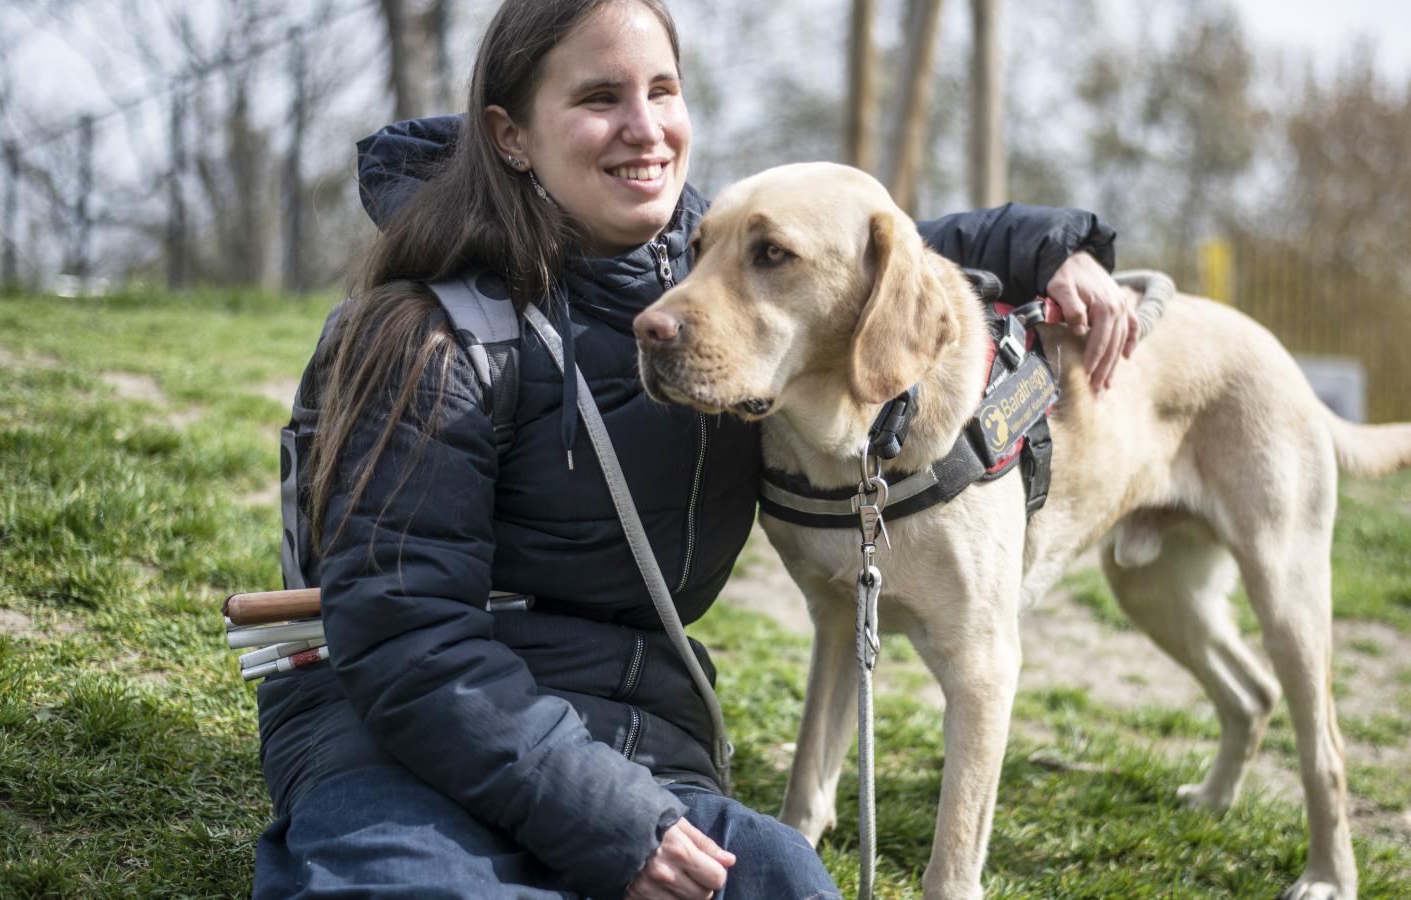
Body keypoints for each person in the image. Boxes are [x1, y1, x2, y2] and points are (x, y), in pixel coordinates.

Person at [251, 1, 1131, 897]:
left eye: (662, 90)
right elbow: (406, 638)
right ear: (510, 136)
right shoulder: (427, 333)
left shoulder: (704, 261)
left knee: (789, 881)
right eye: (600, 97)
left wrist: (1055, 248)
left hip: (633, 729)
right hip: (404, 736)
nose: (645, 129)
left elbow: (862, 247)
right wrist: (609, 819)